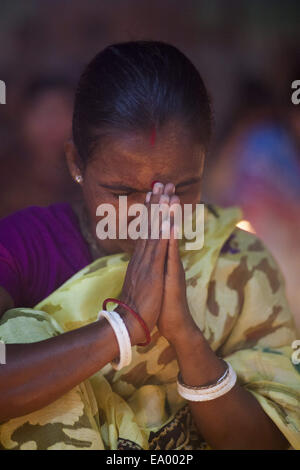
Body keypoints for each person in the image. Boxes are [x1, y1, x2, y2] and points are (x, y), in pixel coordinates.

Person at [0, 41, 299, 451]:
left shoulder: (238, 263)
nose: (151, 215)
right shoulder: (22, 247)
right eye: (122, 191)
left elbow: (274, 442)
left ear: (204, 165)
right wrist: (121, 328)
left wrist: (187, 337)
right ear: (75, 164)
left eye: (182, 188)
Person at [0, 76, 78, 218]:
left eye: (61, 112)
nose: (52, 125)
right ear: (20, 117)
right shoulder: (5, 175)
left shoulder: (90, 176)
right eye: (43, 113)